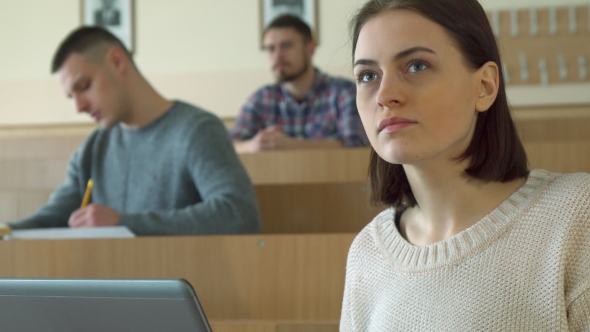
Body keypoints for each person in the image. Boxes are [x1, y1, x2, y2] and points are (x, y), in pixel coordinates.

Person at [340, 0, 590, 330]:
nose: (384, 95)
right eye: (368, 75)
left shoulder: (576, 216)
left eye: (416, 66)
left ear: (484, 86)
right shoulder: (367, 253)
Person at [7, 27, 261, 236]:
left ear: (117, 61)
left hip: (185, 288)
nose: (78, 107)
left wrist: (125, 223)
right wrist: (5, 231)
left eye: (84, 86)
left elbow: (239, 214)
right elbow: (51, 218)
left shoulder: (196, 130)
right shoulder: (93, 148)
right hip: (110, 291)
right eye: (71, 97)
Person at [229, 15, 369, 153]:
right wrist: (251, 146)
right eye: (271, 48)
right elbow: (227, 145)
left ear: (310, 49)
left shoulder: (344, 93)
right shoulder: (261, 99)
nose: (278, 56)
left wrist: (291, 145)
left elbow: (356, 145)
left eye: (286, 45)